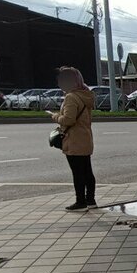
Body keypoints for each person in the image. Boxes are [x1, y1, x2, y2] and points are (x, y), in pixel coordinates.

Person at [49, 66, 97, 211]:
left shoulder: (71, 97)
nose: (59, 84)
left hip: (74, 140)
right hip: (85, 138)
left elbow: (69, 120)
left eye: (61, 81)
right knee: (87, 171)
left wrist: (55, 116)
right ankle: (90, 200)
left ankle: (80, 202)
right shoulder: (85, 95)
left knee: (78, 173)